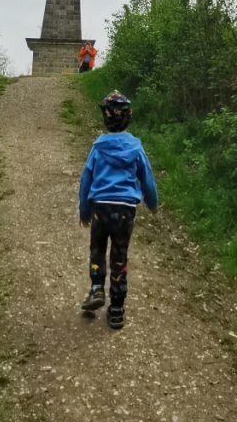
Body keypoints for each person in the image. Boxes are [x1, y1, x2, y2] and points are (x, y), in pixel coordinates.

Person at [78, 91, 159, 329]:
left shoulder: (98, 148)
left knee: (97, 249)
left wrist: (84, 211)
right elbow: (147, 179)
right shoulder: (136, 148)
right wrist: (152, 203)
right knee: (119, 257)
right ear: (128, 118)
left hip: (100, 208)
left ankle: (96, 289)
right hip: (125, 210)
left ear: (105, 119)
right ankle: (116, 309)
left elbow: (86, 180)